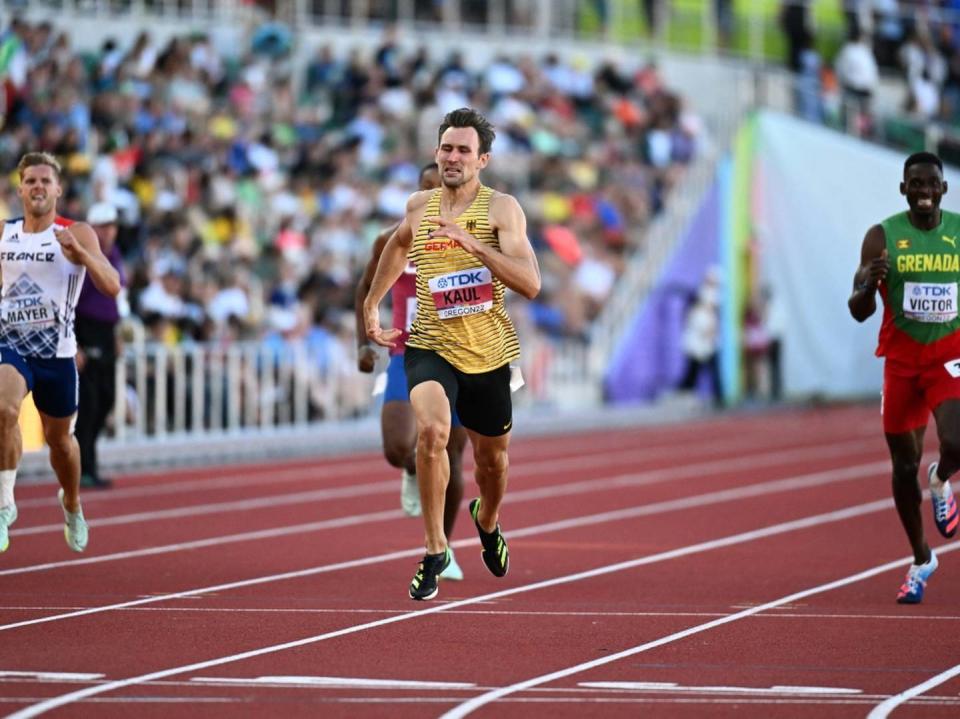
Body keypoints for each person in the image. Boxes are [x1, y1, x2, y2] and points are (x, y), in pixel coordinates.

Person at [363, 107, 541, 601]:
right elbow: (394, 248)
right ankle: (435, 549)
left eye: (464, 150)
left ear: (482, 159)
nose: (453, 157)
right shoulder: (418, 207)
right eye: (446, 148)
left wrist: (474, 245)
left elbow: (530, 283)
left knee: (492, 465)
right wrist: (370, 306)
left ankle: (486, 519)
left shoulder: (503, 210)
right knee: (434, 434)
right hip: (429, 345)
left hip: (488, 352)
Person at [849, 151, 960, 604]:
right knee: (901, 469)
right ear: (904, 189)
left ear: (943, 189)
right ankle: (921, 559)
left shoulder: (957, 231)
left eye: (931, 183)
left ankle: (942, 478)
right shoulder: (882, 237)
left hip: (948, 357)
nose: (924, 192)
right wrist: (864, 285)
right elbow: (858, 311)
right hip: (900, 364)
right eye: (915, 184)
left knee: (956, 442)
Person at [0, 152, 121, 553]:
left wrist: (82, 255)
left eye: (45, 181)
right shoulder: (4, 233)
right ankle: (4, 505)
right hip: (11, 344)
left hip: (57, 354)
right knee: (5, 410)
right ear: (20, 189)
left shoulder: (78, 232)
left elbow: (112, 285)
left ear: (58, 190)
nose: (38, 187)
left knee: (61, 444)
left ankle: (71, 503)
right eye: (30, 181)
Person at [354, 162, 468, 582]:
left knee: (453, 456)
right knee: (397, 447)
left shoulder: (474, 240)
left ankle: (442, 547)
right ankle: (410, 469)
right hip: (406, 356)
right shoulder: (392, 239)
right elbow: (366, 288)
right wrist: (364, 341)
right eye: (424, 189)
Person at [75, 201, 126, 489]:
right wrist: (75, 344)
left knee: (106, 398)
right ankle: (85, 468)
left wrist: (116, 332)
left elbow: (116, 296)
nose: (108, 232)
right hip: (85, 330)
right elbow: (70, 302)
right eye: (103, 227)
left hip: (106, 332)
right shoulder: (81, 258)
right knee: (89, 403)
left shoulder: (115, 256)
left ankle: (89, 462)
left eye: (111, 227)